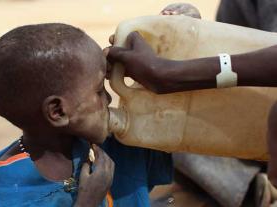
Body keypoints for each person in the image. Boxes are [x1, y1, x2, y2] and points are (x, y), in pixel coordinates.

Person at [0, 23, 172, 207]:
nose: (109, 100)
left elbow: (169, 131)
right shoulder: (16, 197)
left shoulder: (108, 143)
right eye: (99, 90)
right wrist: (88, 201)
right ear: (57, 111)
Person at [106, 2, 277, 197]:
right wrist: (189, 42)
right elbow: (235, 56)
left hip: (260, 130)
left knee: (161, 126)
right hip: (246, 130)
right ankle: (251, 189)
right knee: (161, 118)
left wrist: (173, 72)